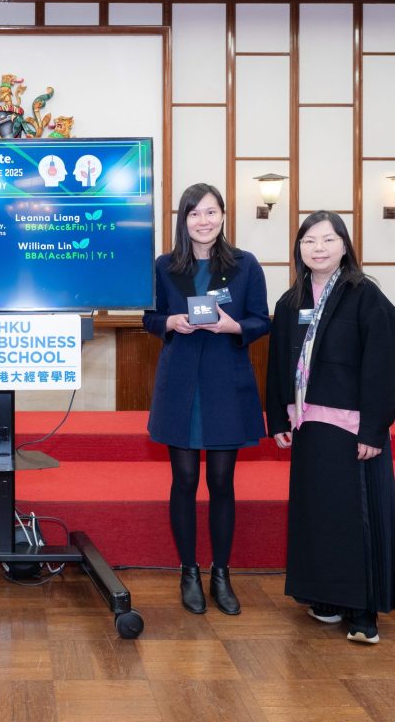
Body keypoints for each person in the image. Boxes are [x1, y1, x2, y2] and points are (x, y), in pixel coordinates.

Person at [266, 211, 395, 644]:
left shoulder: (365, 296)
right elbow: (277, 363)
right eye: (308, 241)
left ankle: (363, 611)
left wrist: (374, 430)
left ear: (344, 245)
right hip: (307, 425)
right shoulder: (291, 300)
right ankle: (324, 596)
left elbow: (382, 366)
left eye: (327, 239)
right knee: (316, 514)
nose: (318, 248)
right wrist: (278, 418)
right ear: (299, 248)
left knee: (353, 518)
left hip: (352, 429)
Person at [143, 183, 269, 616]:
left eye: (211, 212)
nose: (204, 221)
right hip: (180, 385)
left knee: (221, 483)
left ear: (222, 216)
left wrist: (233, 327)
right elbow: (149, 317)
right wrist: (170, 321)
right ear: (183, 219)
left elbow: (260, 319)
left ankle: (221, 574)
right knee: (184, 481)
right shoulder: (164, 266)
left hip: (224, 385)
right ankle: (189, 571)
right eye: (195, 213)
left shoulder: (245, 265)